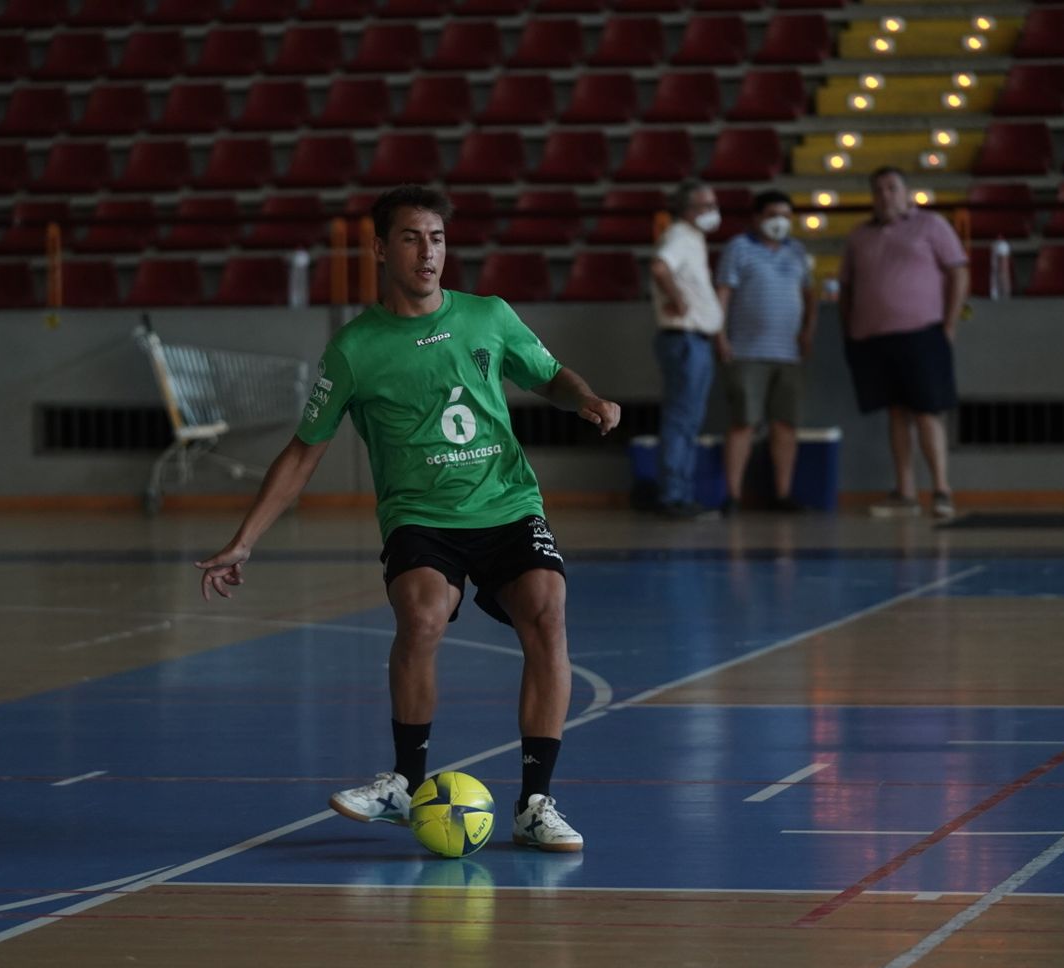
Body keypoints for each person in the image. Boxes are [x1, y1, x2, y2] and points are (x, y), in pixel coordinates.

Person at [195, 185, 620, 852]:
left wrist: (587, 398)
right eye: (412, 238)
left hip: (506, 502)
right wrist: (243, 542)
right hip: (421, 515)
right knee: (420, 615)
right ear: (379, 248)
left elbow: (549, 374)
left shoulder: (489, 315)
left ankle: (535, 803)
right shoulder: (355, 348)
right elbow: (304, 452)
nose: (429, 252)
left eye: (438, 238)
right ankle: (404, 783)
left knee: (547, 608)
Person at [838, 166, 969, 520]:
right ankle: (905, 491)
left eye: (893, 188)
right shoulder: (858, 236)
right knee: (895, 413)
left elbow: (958, 271)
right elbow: (846, 288)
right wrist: (849, 331)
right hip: (873, 337)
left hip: (922, 332)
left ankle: (941, 489)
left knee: (927, 411)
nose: (885, 195)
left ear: (907, 192)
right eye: (878, 189)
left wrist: (949, 324)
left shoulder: (932, 225)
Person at [713, 190, 816, 514]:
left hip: (788, 354)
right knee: (744, 422)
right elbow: (723, 295)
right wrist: (720, 336)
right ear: (757, 217)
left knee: (785, 424)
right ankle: (733, 496)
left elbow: (809, 296)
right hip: (746, 352)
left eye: (786, 215)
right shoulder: (738, 248)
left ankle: (783, 495)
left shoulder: (798, 252)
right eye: (773, 214)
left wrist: (807, 333)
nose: (780, 222)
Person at [648, 180, 725, 519]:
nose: (712, 211)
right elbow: (660, 266)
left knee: (688, 420)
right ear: (686, 209)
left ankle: (680, 492)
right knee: (682, 420)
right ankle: (674, 496)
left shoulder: (692, 239)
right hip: (685, 339)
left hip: (695, 340)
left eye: (713, 204)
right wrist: (677, 298)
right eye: (704, 205)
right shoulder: (679, 236)